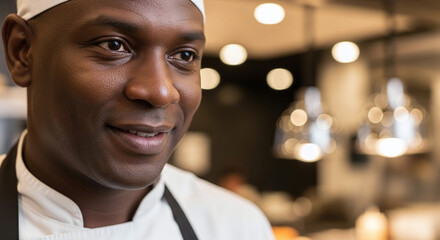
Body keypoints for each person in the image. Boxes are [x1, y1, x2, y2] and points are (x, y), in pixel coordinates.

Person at [0, 0, 275, 239]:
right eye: (114, 45)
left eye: (184, 55)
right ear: (21, 52)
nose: (161, 92)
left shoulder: (236, 227)